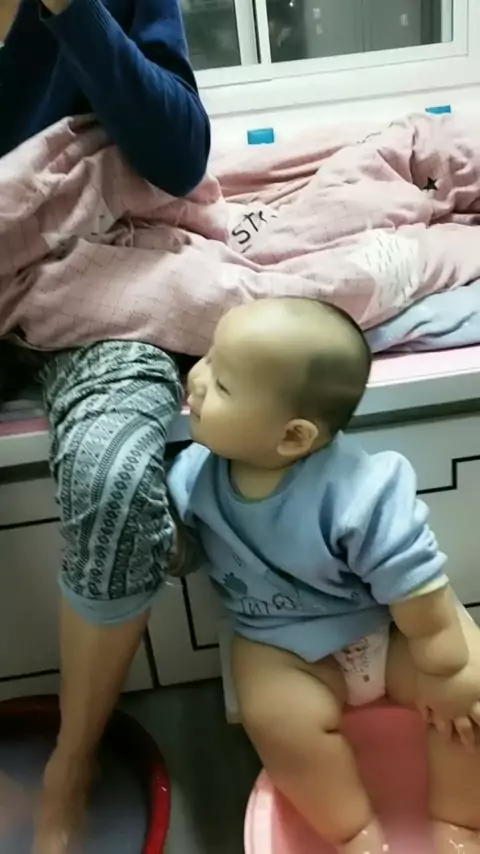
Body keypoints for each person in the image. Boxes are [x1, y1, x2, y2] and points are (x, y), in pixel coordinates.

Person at [0, 2, 209, 853]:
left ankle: (72, 765)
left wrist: (75, 15)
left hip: (99, 277)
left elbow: (180, 159)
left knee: (115, 478)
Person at [168, 297, 480, 854]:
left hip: (391, 631)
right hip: (281, 647)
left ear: (293, 436)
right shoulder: (193, 477)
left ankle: (460, 823)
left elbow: (419, 591)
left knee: (472, 700)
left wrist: (447, 669)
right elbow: (176, 547)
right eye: (208, 358)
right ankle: (355, 833)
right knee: (277, 721)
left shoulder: (360, 492)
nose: (197, 379)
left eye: (223, 383)